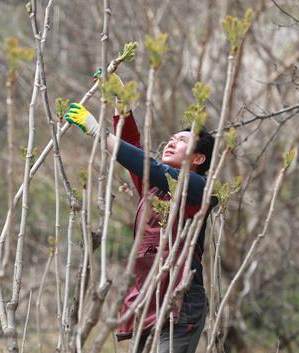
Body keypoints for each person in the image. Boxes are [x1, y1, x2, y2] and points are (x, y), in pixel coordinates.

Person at [65, 97, 217, 353]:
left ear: (199, 158)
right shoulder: (155, 191)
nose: (171, 142)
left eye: (181, 141)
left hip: (182, 299)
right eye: (171, 138)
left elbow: (149, 166)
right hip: (148, 299)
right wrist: (120, 101)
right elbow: (133, 147)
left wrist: (97, 132)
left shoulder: (200, 189)